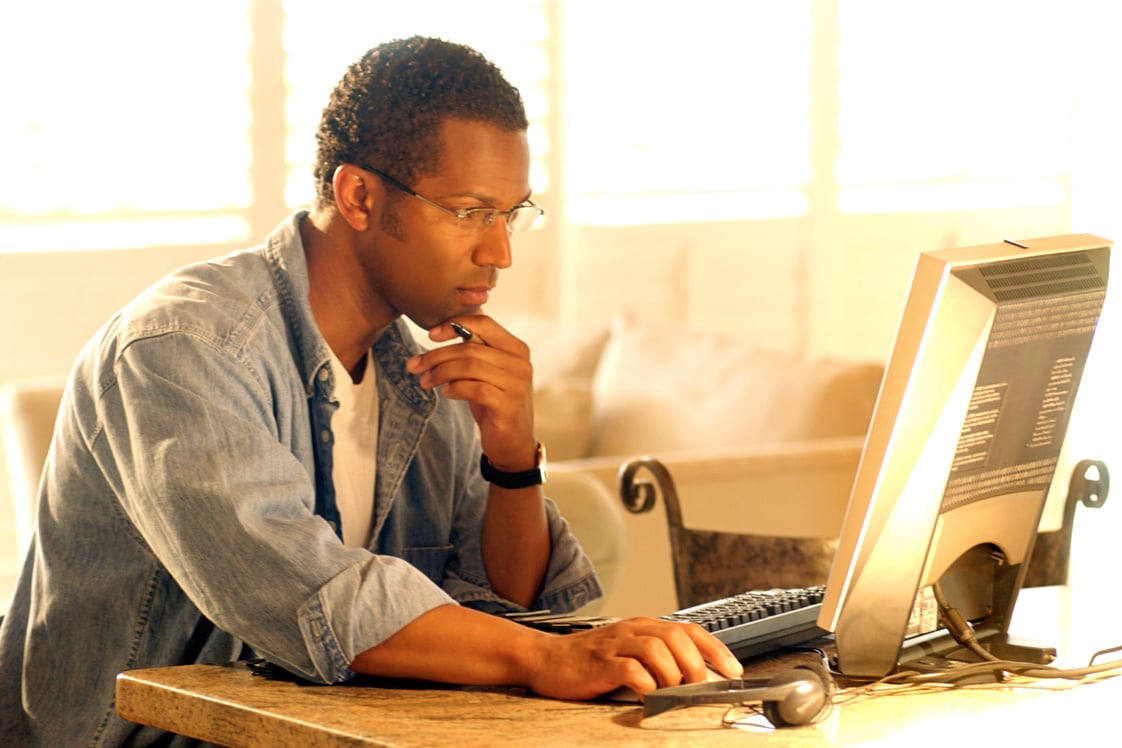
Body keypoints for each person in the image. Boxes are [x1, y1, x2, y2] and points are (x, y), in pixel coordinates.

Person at [0, 36, 742, 745]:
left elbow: (502, 611)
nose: (501, 252)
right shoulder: (183, 349)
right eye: (468, 212)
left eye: (510, 214)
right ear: (357, 195)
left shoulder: (418, 367)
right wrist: (549, 658)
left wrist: (512, 454)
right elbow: (305, 596)